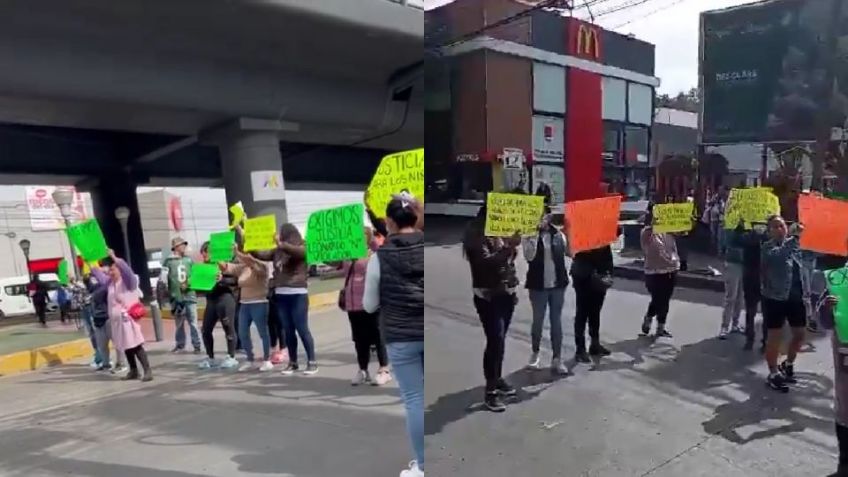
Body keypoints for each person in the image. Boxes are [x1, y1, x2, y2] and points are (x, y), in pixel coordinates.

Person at [363, 194, 424, 477]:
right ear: (417, 217)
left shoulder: (380, 256)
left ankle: (423, 466)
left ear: (388, 222)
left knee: (414, 400)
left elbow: (369, 305)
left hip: (401, 337)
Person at [463, 204, 521, 413]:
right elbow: (486, 263)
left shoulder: (498, 232)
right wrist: (508, 247)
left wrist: (512, 247)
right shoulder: (475, 235)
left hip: (506, 293)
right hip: (488, 297)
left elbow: (507, 261)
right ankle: (490, 392)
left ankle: (496, 378)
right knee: (495, 340)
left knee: (500, 341)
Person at [256, 224, 318, 376]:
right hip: (281, 294)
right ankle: (293, 362)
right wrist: (248, 243)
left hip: (298, 294)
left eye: (282, 233)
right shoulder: (278, 251)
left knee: (302, 329)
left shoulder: (302, 246)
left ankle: (312, 362)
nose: (280, 235)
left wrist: (281, 244)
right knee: (288, 330)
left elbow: (299, 253)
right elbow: (261, 255)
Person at [760, 215, 807, 393]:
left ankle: (787, 364)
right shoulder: (767, 248)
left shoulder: (795, 246)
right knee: (774, 337)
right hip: (775, 298)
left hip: (795, 297)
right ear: (769, 231)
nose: (780, 229)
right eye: (776, 227)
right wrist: (795, 238)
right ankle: (773, 373)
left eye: (782, 226)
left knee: (800, 334)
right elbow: (779, 257)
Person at [340, 227, 391, 386]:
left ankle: (384, 370)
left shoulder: (373, 253)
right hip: (352, 303)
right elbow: (332, 261)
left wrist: (373, 242)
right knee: (359, 338)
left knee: (377, 335)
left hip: (371, 300)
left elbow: (384, 251)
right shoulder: (348, 253)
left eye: (361, 235)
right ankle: (363, 370)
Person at [522, 207, 570, 375]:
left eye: (544, 216)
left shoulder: (558, 235)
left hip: (557, 285)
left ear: (549, 217)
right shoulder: (528, 235)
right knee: (538, 321)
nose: (541, 219)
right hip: (538, 286)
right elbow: (528, 256)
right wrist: (534, 234)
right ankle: (535, 353)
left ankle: (557, 358)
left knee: (556, 322)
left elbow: (569, 252)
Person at [101, 250, 151, 382]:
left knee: (135, 345)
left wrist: (114, 257)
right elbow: (100, 276)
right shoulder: (110, 284)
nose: (111, 273)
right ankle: (133, 370)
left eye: (113, 269)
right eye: (110, 270)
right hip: (117, 322)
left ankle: (147, 370)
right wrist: (90, 263)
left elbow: (126, 270)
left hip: (128, 320)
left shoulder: (128, 281)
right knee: (126, 346)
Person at [223, 249, 273, 372]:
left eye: (246, 255)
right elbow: (226, 267)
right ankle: (250, 359)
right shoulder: (243, 268)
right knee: (242, 333)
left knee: (263, 333)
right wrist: (218, 255)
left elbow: (252, 262)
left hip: (259, 303)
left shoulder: (262, 267)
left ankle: (267, 360)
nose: (243, 257)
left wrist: (237, 252)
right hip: (244, 304)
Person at [571, 239, 615, 363]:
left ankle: (595, 344)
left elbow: (608, 255)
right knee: (582, 313)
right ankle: (580, 349)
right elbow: (572, 251)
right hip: (583, 276)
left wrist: (609, 274)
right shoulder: (582, 234)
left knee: (595, 312)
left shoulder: (603, 234)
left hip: (601, 276)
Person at [197, 241, 239, 370]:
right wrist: (189, 285)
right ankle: (210, 357)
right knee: (205, 329)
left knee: (228, 328)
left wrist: (222, 279)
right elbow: (199, 290)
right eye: (203, 252)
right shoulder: (203, 268)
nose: (204, 255)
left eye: (206, 252)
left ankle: (231, 357)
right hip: (211, 301)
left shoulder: (224, 265)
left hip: (225, 299)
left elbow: (234, 281)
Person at [640, 211, 680, 337]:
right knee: (658, 299)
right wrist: (653, 225)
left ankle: (661, 327)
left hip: (671, 269)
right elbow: (647, 237)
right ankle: (649, 317)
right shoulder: (647, 233)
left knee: (665, 299)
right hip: (653, 272)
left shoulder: (668, 231)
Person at [731, 221, 769, 351]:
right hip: (760, 278)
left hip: (756, 277)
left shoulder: (753, 237)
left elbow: (736, 240)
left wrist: (740, 227)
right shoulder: (768, 237)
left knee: (753, 311)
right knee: (760, 312)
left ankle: (752, 339)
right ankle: (761, 340)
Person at [162, 236, 202, 354]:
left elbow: (195, 275)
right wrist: (164, 294)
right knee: (179, 324)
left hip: (190, 296)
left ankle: (197, 345)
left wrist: (189, 283)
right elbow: (163, 280)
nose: (184, 246)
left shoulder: (189, 260)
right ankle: (180, 345)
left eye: (184, 244)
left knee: (193, 322)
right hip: (176, 297)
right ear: (175, 247)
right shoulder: (168, 262)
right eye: (182, 244)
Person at [86, 270, 125, 373]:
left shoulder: (109, 287)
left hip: (109, 318)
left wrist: (97, 269)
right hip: (97, 319)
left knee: (117, 342)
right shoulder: (93, 289)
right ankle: (106, 364)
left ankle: (121, 363)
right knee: (102, 344)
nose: (92, 278)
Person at [721, 219, 748, 339]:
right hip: (733, 263)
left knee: (740, 297)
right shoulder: (731, 228)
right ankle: (724, 327)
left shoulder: (750, 229)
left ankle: (735, 324)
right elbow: (727, 241)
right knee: (731, 296)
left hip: (745, 264)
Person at [72, 276, 101, 368]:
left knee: (94, 332)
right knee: (91, 332)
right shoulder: (80, 285)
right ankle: (98, 356)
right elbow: (71, 289)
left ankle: (101, 357)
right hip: (84, 308)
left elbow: (82, 287)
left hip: (90, 308)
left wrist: (73, 281)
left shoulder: (90, 283)